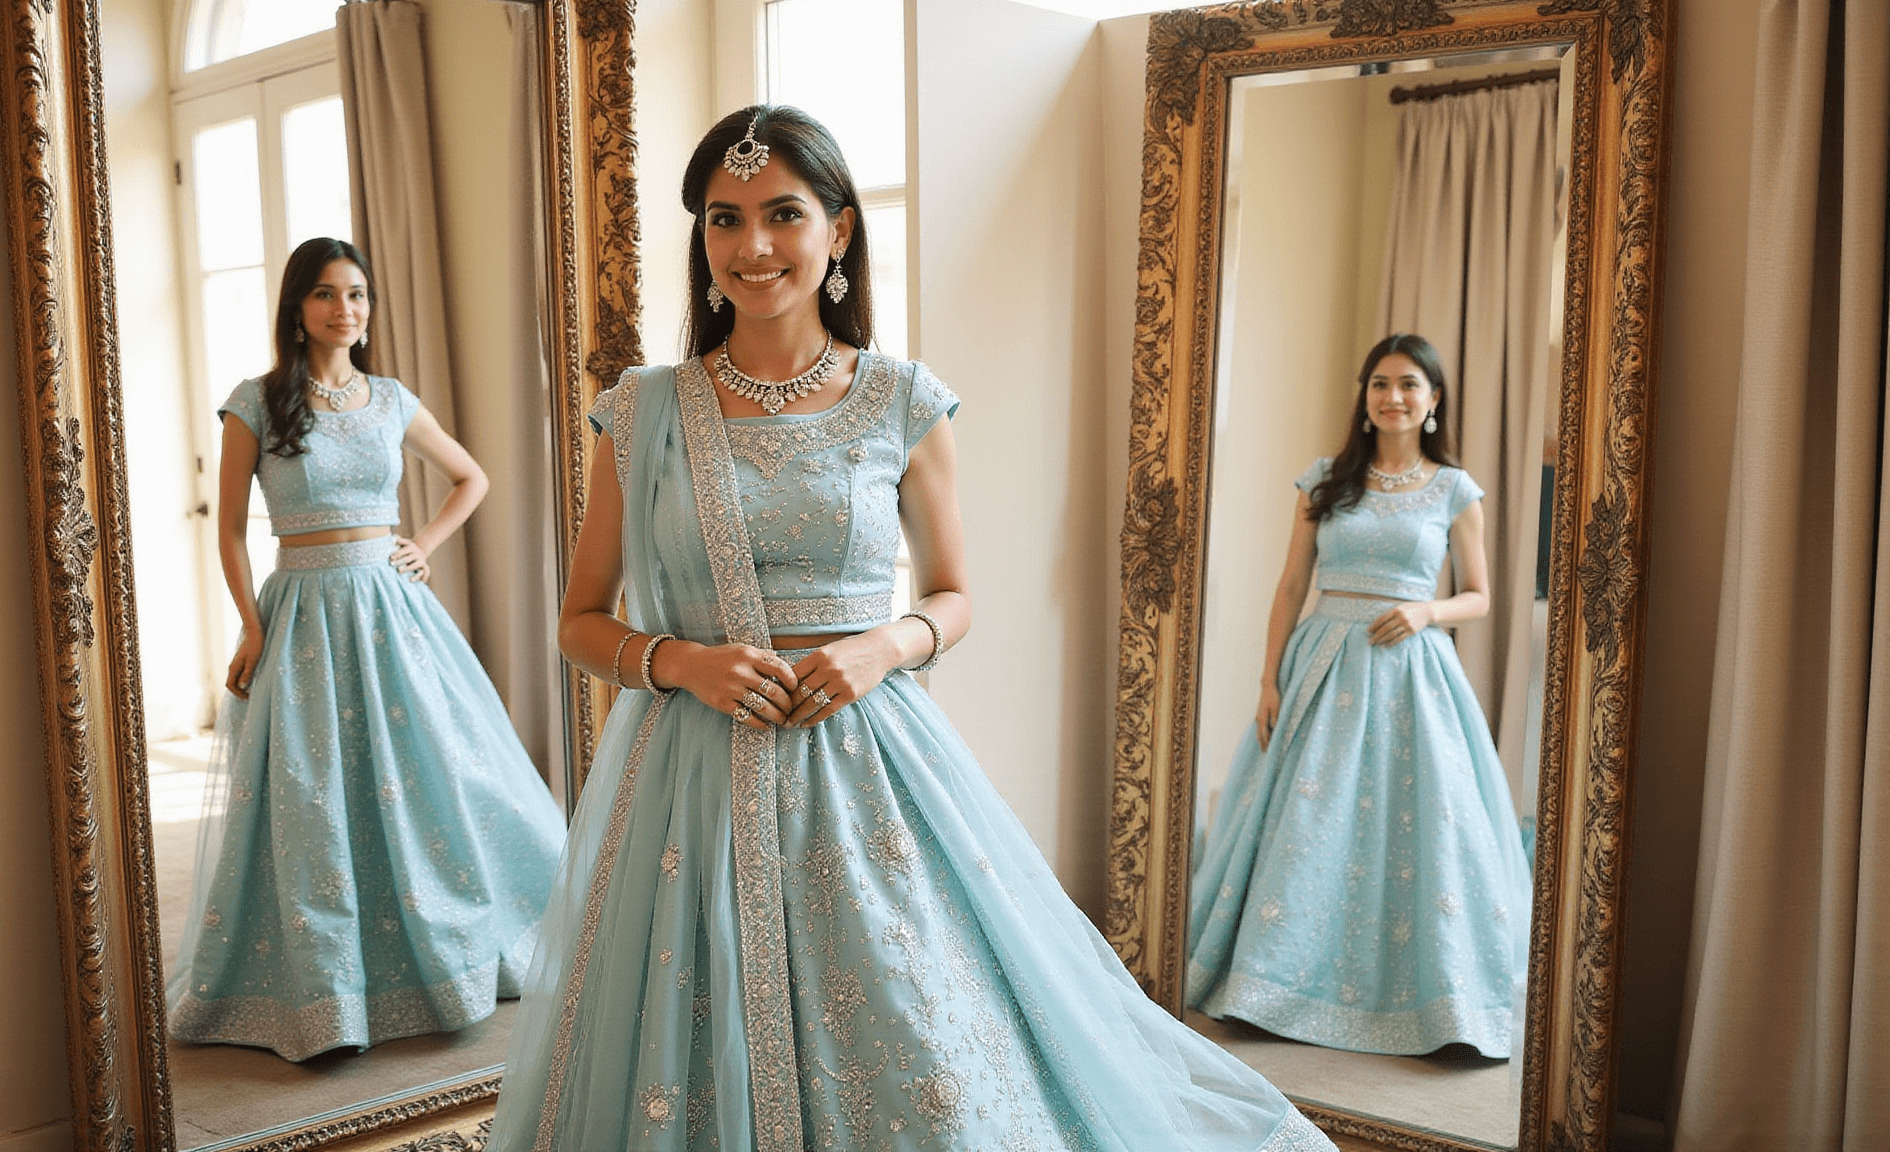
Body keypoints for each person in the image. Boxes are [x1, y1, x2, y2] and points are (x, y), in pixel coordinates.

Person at [485, 106, 1331, 1152]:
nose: (752, 245)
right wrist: (679, 660)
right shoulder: (644, 410)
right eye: (724, 218)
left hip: (864, 759)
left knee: (914, 1028)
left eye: (783, 214)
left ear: (838, 229)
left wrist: (883, 646)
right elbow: (578, 621)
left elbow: (953, 595)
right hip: (687, 771)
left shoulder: (900, 400)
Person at [166, 237, 568, 1061]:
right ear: (297, 308)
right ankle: (328, 994)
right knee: (313, 795)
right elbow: (231, 530)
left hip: (391, 608)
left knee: (430, 777)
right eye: (325, 293)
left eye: (356, 294)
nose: (343, 308)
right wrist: (250, 625)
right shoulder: (256, 402)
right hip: (302, 610)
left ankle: (447, 958)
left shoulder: (389, 399)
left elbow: (471, 477)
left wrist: (422, 545)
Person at [1183, 334, 1532, 1058]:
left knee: (1417, 827)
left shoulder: (1454, 490)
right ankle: (1271, 986)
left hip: (1410, 670)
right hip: (1323, 662)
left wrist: (1426, 611)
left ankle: (1430, 1001)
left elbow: (1479, 595)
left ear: (1433, 401)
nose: (1392, 396)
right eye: (1379, 383)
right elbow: (1290, 586)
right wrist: (1268, 679)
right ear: (1365, 397)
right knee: (1311, 821)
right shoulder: (1325, 481)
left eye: (1408, 384)